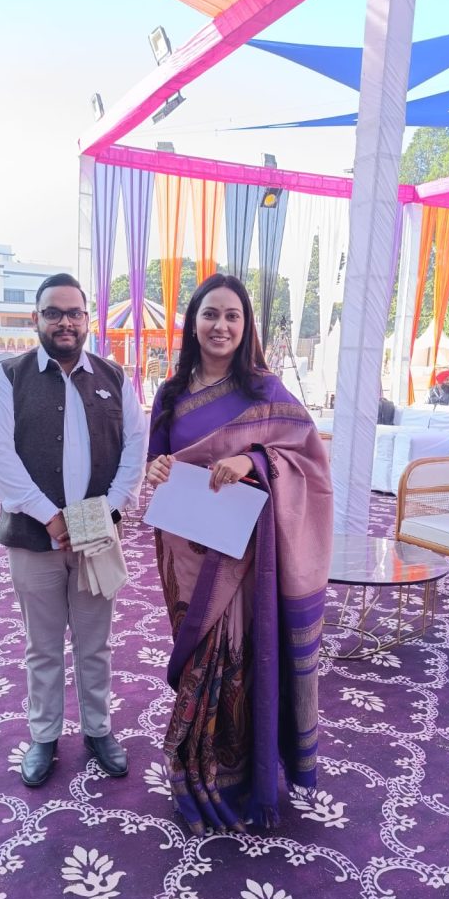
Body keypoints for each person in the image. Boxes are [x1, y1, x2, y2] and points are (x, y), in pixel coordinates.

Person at [146, 274, 333, 836]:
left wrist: (252, 461)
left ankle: (237, 776)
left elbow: (308, 459)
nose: (221, 325)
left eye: (232, 315)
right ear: (193, 323)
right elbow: (156, 463)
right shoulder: (171, 393)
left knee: (239, 658)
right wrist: (157, 469)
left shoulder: (264, 390)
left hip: (245, 551)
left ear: (246, 324)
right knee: (198, 657)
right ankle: (194, 770)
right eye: (210, 314)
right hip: (185, 546)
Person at [0, 272, 147, 788]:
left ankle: (98, 730)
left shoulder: (114, 377)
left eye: (74, 312)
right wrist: (49, 517)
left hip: (97, 536)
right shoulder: (9, 377)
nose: (65, 322)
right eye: (53, 313)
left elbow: (135, 449)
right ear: (36, 319)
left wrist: (108, 511)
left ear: (87, 319)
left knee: (95, 644)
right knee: (43, 646)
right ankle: (44, 736)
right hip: (34, 538)